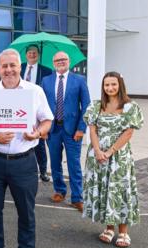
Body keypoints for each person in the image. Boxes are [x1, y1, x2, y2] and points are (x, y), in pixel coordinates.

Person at [0, 48, 53, 248]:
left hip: (24, 161)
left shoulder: (34, 91)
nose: (8, 70)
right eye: (4, 66)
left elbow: (47, 120)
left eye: (12, 65)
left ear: (20, 66)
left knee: (26, 211)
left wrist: (37, 133)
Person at [82, 72, 143, 248]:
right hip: (98, 155)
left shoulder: (130, 107)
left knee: (120, 189)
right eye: (106, 85)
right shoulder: (96, 106)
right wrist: (98, 151)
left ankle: (123, 232)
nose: (110, 88)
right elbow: (92, 130)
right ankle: (109, 228)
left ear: (120, 85)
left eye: (113, 84)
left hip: (119, 156)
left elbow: (129, 132)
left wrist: (109, 152)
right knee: (104, 189)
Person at [41, 51, 91, 212]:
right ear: (53, 62)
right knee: (55, 162)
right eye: (57, 60)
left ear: (69, 61)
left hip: (72, 131)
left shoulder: (79, 80)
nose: (61, 62)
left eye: (63, 59)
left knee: (74, 164)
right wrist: (43, 128)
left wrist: (81, 129)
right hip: (53, 130)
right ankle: (59, 191)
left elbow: (87, 106)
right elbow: (41, 106)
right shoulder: (46, 81)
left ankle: (77, 197)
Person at [20, 45, 53, 182]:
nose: (32, 55)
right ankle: (22, 169)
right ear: (26, 55)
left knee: (39, 142)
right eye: (29, 53)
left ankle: (43, 170)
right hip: (20, 108)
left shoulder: (46, 70)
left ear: (38, 55)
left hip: (36, 109)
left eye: (34, 53)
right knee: (21, 139)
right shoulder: (20, 67)